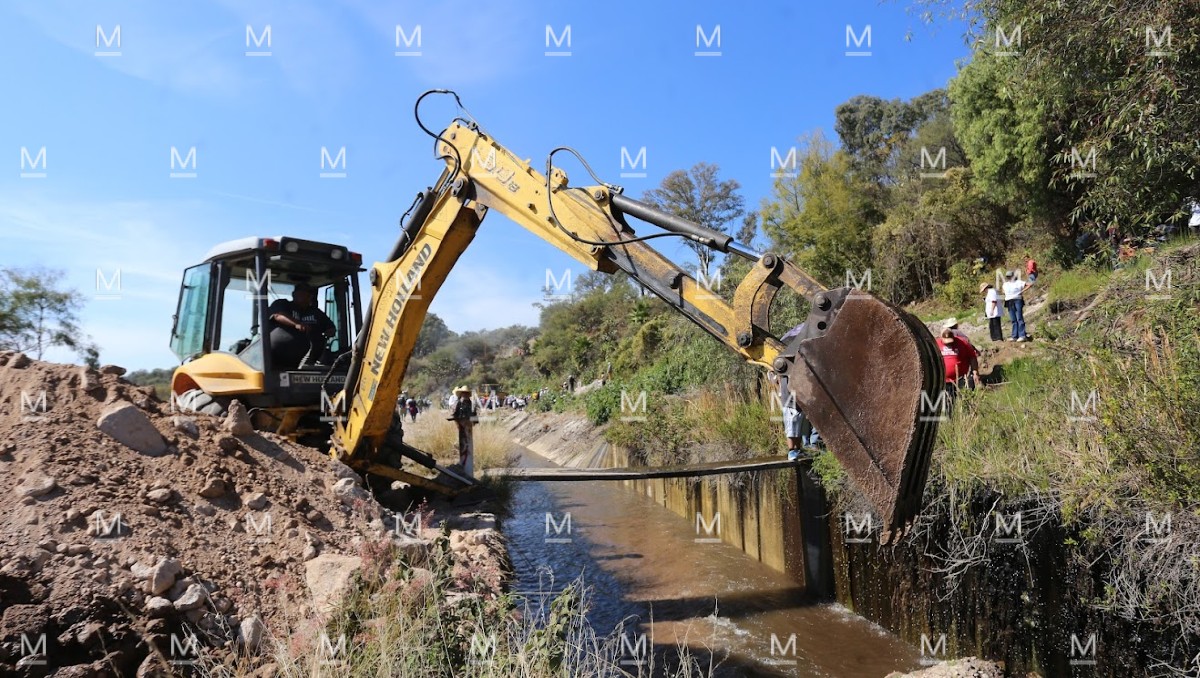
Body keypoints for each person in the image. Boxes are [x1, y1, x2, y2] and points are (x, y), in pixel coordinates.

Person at [268, 282, 335, 369]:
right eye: (300, 292)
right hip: (276, 357)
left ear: (311, 297)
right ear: (293, 294)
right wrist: (297, 324)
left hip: (309, 360)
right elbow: (278, 315)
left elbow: (330, 328)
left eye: (306, 293)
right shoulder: (283, 304)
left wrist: (329, 332)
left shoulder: (316, 312)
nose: (303, 295)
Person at [937, 328, 980, 401]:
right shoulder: (936, 344)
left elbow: (972, 357)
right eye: (946, 342)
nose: (949, 344)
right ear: (941, 338)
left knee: (965, 399)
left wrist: (975, 372)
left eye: (950, 341)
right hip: (944, 380)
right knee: (948, 402)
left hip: (961, 378)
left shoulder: (963, 343)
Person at [446, 385, 477, 476]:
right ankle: (465, 472)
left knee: (468, 447)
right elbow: (453, 414)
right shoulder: (458, 403)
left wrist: (473, 421)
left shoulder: (471, 403)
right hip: (462, 427)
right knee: (464, 446)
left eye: (467, 393)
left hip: (468, 427)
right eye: (464, 393)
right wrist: (457, 420)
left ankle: (469, 473)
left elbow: (474, 414)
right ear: (461, 394)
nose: (466, 395)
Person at [1001, 271, 1031, 342]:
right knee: (1013, 319)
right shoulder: (1006, 284)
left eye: (1010, 276)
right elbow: (1002, 290)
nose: (1009, 278)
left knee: (1019, 318)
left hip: (1017, 300)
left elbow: (1029, 284)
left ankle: (1022, 335)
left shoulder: (1018, 282)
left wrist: (1022, 291)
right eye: (1008, 276)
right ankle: (1014, 336)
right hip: (1009, 301)